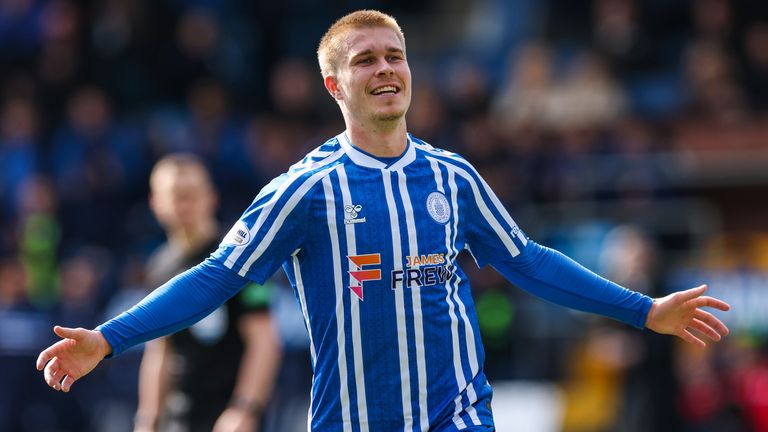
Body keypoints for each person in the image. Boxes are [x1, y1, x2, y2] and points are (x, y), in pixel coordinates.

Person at [37, 10, 731, 432]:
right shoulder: (305, 190)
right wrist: (107, 338)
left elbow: (528, 261)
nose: (386, 68)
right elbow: (217, 276)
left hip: (459, 414)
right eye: (365, 59)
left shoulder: (454, 178)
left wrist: (645, 311)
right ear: (334, 85)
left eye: (395, 55)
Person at [133, 154, 281, 432]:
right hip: (178, 419)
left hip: (227, 417)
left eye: (191, 195)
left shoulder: (239, 261)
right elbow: (159, 348)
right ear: (156, 204)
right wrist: (147, 418)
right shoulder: (158, 267)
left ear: (211, 197)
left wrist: (244, 409)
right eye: (176, 196)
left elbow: (264, 341)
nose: (184, 205)